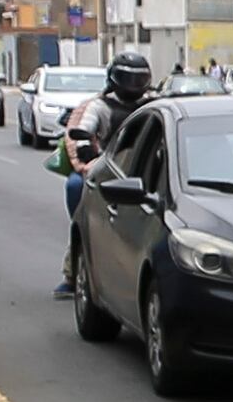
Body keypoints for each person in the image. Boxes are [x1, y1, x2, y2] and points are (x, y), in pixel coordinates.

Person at [53, 48, 159, 300]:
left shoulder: (155, 105)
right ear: (114, 79)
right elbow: (82, 132)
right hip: (109, 166)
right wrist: (86, 150)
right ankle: (74, 271)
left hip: (145, 168)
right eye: (127, 78)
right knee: (77, 190)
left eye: (139, 79)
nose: (133, 85)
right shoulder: (99, 106)